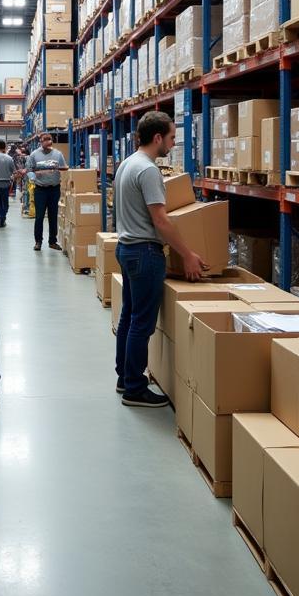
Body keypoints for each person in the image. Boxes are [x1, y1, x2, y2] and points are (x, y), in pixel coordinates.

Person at [114, 110, 207, 408]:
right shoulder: (148, 170)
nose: (172, 143)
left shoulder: (127, 164)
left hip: (127, 247)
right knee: (142, 322)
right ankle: (135, 388)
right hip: (145, 252)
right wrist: (188, 255)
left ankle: (124, 377)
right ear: (157, 138)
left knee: (129, 316)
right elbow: (161, 220)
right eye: (171, 138)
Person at [24, 133, 67, 251]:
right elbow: (29, 169)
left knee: (53, 216)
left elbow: (64, 167)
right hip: (40, 189)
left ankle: (52, 241)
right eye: (45, 140)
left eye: (49, 140)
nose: (47, 142)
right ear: (40, 142)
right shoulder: (34, 155)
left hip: (54, 189)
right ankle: (38, 242)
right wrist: (33, 177)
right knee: (39, 216)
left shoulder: (58, 154)